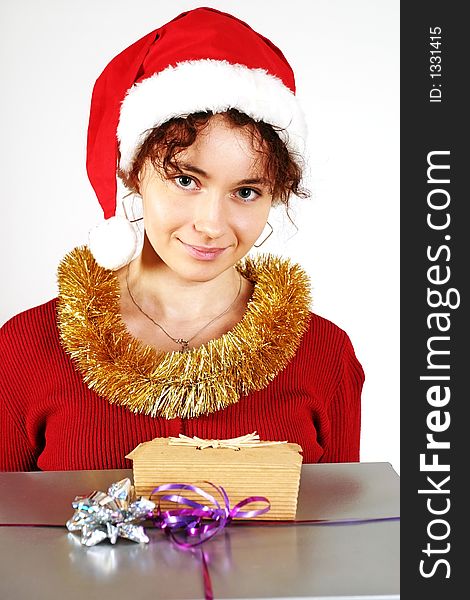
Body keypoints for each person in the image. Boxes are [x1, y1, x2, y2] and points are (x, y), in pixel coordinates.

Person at [0, 7, 364, 472]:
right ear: (133, 173)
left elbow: (341, 536)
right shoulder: (24, 349)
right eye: (186, 180)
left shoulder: (324, 353)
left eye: (246, 191)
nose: (211, 224)